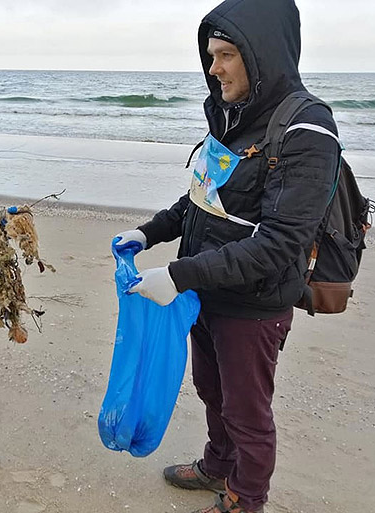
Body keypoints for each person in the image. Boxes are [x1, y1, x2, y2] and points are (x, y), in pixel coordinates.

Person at [114, 1, 341, 512]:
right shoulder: (231, 117)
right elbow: (200, 199)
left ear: (263, 55)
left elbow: (280, 242)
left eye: (226, 55)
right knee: (211, 391)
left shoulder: (306, 130)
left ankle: (246, 498)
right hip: (204, 291)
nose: (213, 69)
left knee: (247, 412)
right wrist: (147, 233)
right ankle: (218, 466)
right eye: (210, 55)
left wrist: (177, 274)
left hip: (252, 304)